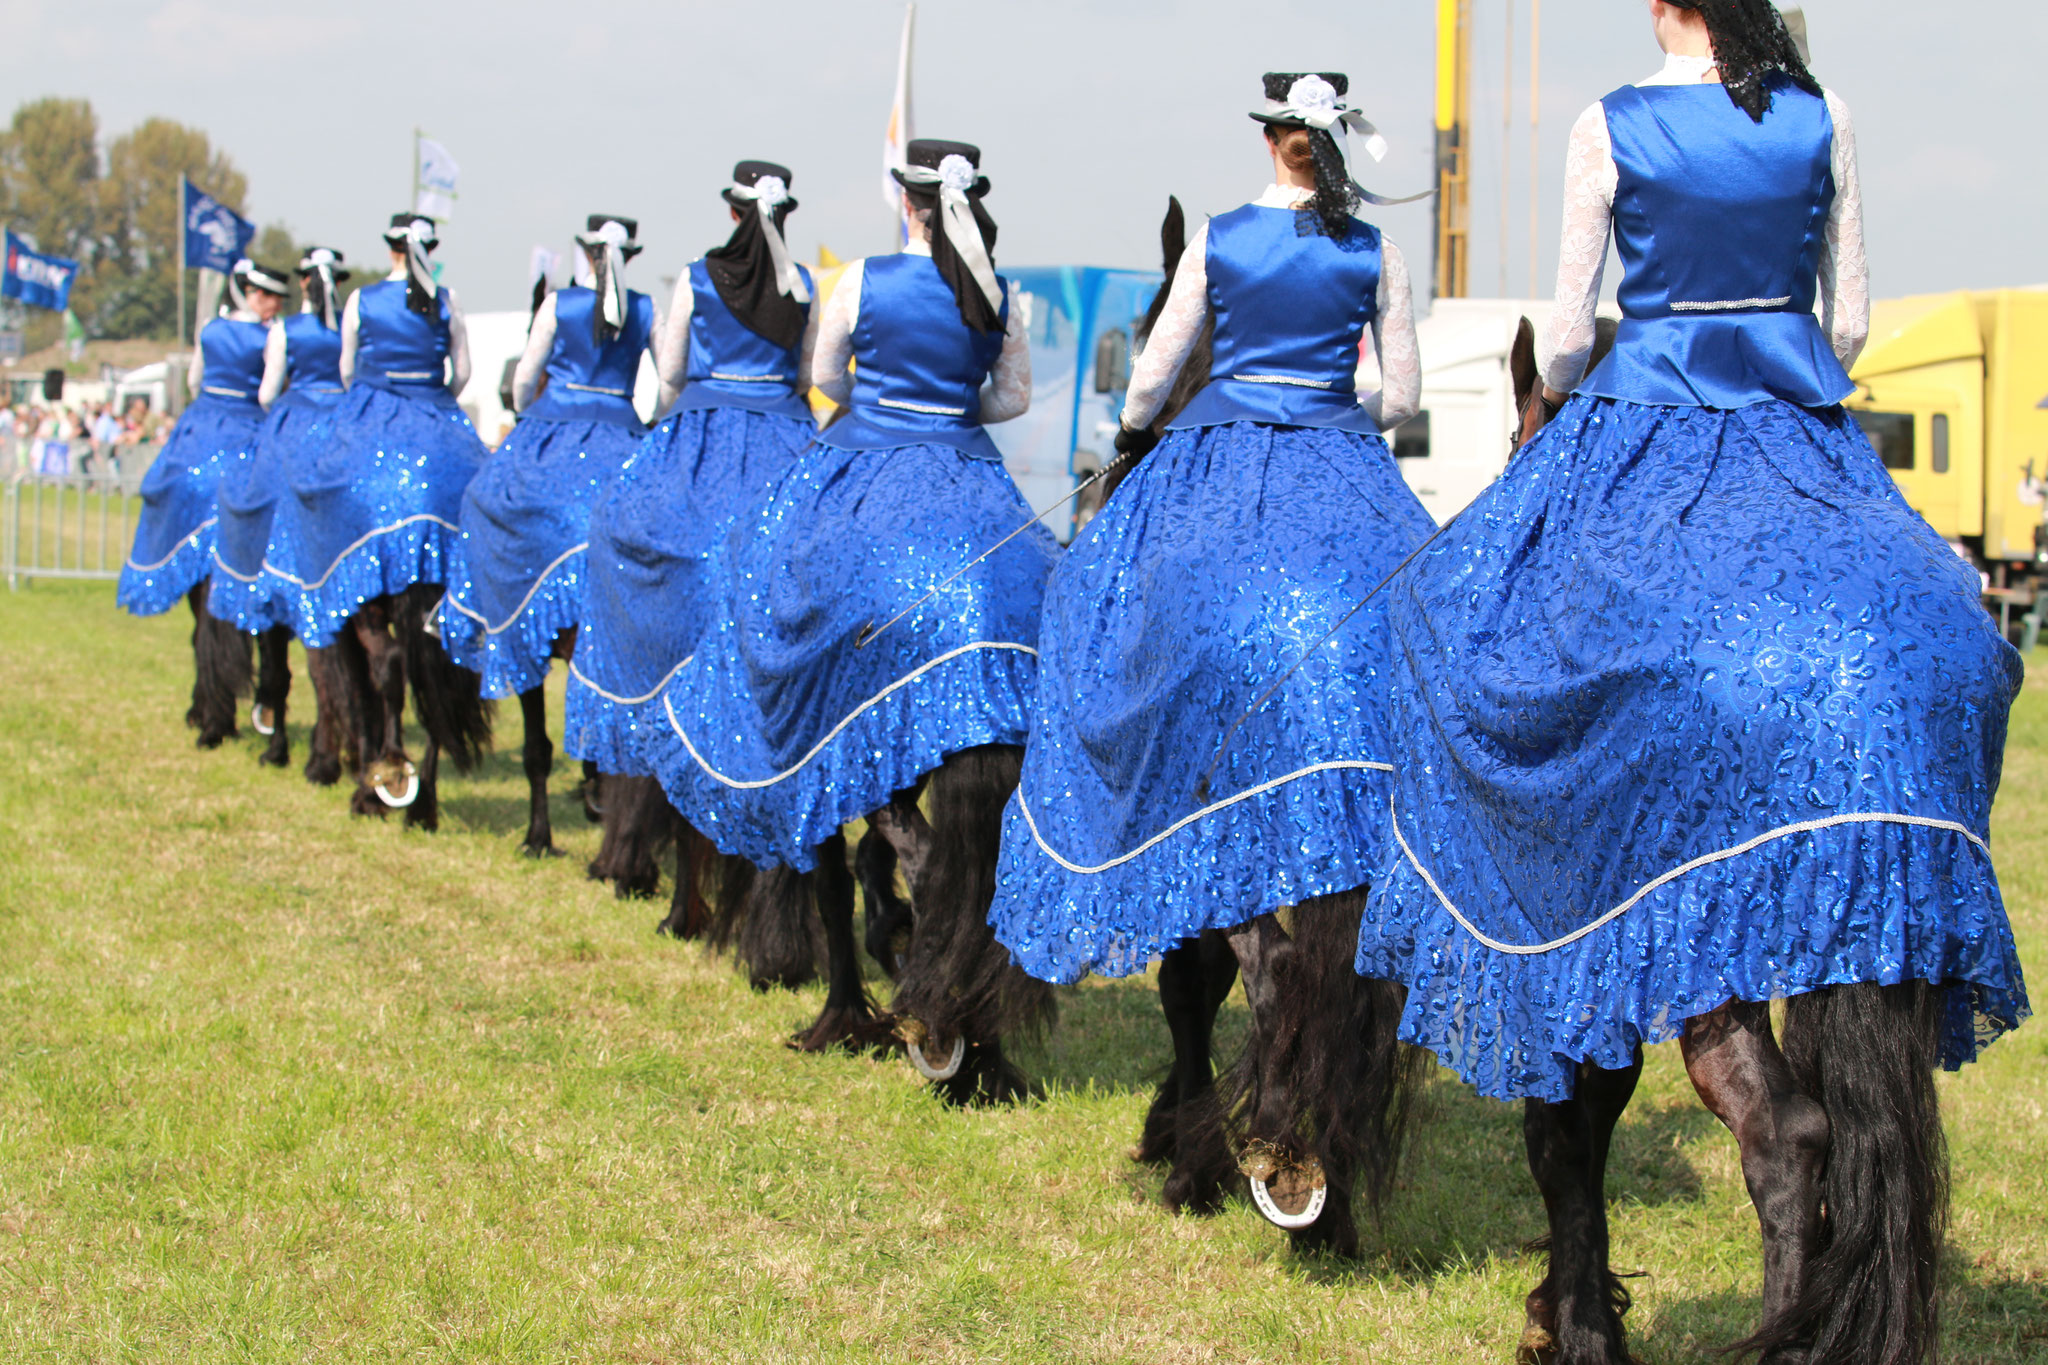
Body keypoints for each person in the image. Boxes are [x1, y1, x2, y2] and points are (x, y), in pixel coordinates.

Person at [1353, 5, 2024, 1354]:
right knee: (1950, 632)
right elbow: (1849, 325)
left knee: (1451, 626)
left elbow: (1567, 325)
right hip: (1797, 433)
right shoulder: (1822, 116)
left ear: (1664, 7)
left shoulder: (1613, 120)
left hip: (1639, 429)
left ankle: (1559, 948)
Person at [986, 72, 1432, 986]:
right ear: (1334, 143)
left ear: (1271, 139)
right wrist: (1334, 412)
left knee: (1087, 599)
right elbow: (1406, 395)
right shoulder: (1376, 247)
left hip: (1211, 456)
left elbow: (1153, 377)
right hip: (1340, 451)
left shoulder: (1219, 237)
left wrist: (1137, 430)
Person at [641, 138, 1047, 872]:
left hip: (866, 454)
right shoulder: (998, 292)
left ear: (907, 204)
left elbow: (825, 373)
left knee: (762, 560)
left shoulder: (863, 276)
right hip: (968, 464)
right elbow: (1014, 398)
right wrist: (951, 410)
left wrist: (888, 406)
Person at [565, 164, 818, 795]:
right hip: (785, 436)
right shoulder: (804, 284)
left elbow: (670, 368)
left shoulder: (697, 277)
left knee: (615, 532)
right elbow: (812, 375)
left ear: (733, 214)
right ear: (783, 217)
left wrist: (699, 402)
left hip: (701, 433)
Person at [439, 214, 657, 700]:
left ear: (586, 253)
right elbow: (670, 381)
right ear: (632, 257)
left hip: (554, 426)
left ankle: (474, 614)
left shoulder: (559, 304)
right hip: (625, 432)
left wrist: (531, 415)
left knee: (482, 501)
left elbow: (523, 379)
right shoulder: (647, 308)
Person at [261, 213, 487, 649]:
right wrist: (433, 395)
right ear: (431, 251)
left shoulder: (361, 299)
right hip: (434, 410)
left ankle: (317, 590)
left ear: (391, 249)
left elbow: (347, 371)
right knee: (486, 500)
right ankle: (464, 609)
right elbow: (462, 373)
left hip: (372, 408)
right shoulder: (448, 299)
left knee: (310, 487)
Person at [116, 258, 289, 745]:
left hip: (199, 438)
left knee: (167, 495)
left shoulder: (210, 329)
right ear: (256, 295)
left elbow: (194, 382)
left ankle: (208, 700)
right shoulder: (272, 336)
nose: (275, 304)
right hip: (246, 440)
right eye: (271, 295)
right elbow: (270, 394)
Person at [210, 246, 353, 637]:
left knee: (253, 499)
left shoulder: (284, 329)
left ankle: (256, 578)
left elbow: (266, 394)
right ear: (339, 282)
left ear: (305, 281)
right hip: (344, 420)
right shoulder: (351, 321)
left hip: (296, 420)